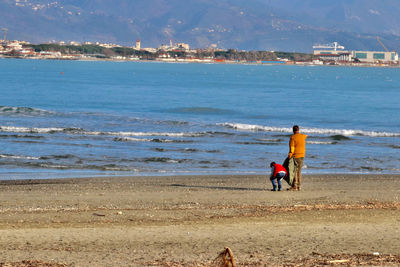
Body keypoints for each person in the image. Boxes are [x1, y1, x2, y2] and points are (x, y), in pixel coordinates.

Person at [288, 125, 307, 191]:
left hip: (296, 155)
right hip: (302, 155)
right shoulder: (303, 136)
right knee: (299, 171)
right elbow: (305, 136)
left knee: (295, 171)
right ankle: (299, 186)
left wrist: (290, 155)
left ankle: (295, 186)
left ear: (293, 130)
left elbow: (292, 148)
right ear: (298, 130)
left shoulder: (293, 137)